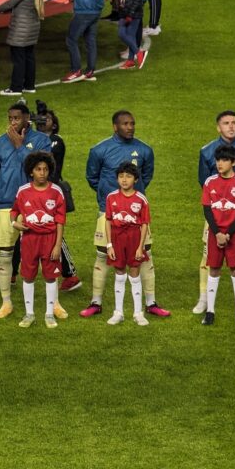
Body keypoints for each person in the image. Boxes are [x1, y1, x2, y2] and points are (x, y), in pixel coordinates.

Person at [82, 110, 169, 318]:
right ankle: (96, 302)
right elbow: (92, 178)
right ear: (115, 126)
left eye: (132, 123)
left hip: (136, 215)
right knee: (103, 255)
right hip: (108, 211)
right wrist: (112, 198)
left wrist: (131, 199)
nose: (130, 127)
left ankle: (151, 303)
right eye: (125, 124)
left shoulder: (144, 150)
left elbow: (145, 177)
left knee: (144, 255)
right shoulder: (99, 150)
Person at [0, 103, 53, 319]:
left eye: (17, 118)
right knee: (5, 254)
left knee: (43, 255)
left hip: (36, 204)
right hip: (6, 204)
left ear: (27, 118)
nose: (13, 122)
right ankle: (6, 302)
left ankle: (53, 304)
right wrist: (6, 191)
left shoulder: (42, 141)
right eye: (10, 118)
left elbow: (44, 168)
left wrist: (21, 147)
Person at [195, 111, 235, 316]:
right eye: (226, 123)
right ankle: (204, 298)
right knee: (208, 254)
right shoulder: (207, 151)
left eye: (234, 122)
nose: (231, 126)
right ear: (218, 127)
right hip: (216, 212)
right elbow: (204, 181)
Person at [10, 151, 66, 329]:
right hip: (29, 239)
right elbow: (14, 211)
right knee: (28, 276)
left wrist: (57, 245)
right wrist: (14, 223)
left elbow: (60, 220)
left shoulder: (56, 192)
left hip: (50, 240)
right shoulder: (23, 191)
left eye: (45, 169)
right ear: (31, 171)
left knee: (50, 277)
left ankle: (49, 314)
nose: (42, 173)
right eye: (38, 169)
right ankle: (29, 314)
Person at [200, 145, 235, 327]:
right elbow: (207, 209)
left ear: (234, 162)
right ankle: (210, 312)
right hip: (215, 234)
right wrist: (218, 233)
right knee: (214, 269)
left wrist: (227, 234)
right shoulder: (209, 182)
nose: (219, 164)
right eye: (218, 160)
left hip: (234, 235)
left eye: (224, 160)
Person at [33, 107, 80, 291]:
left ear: (55, 123)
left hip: (50, 192)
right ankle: (10, 272)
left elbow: (45, 160)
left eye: (47, 119)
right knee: (25, 233)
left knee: (53, 232)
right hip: (35, 192)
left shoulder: (55, 141)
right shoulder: (36, 140)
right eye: (40, 118)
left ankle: (70, 274)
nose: (43, 121)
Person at [47, 0, 103, 84]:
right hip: (95, 10)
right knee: (90, 40)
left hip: (84, 11)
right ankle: (90, 71)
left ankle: (76, 71)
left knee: (71, 39)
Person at [104, 162, 150, 326]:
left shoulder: (141, 199)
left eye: (128, 176)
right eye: (121, 176)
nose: (124, 180)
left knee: (135, 273)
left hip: (134, 237)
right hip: (116, 238)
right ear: (117, 179)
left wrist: (140, 246)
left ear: (135, 180)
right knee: (119, 273)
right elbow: (108, 221)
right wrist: (109, 245)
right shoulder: (111, 197)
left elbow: (144, 223)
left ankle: (138, 313)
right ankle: (118, 312)